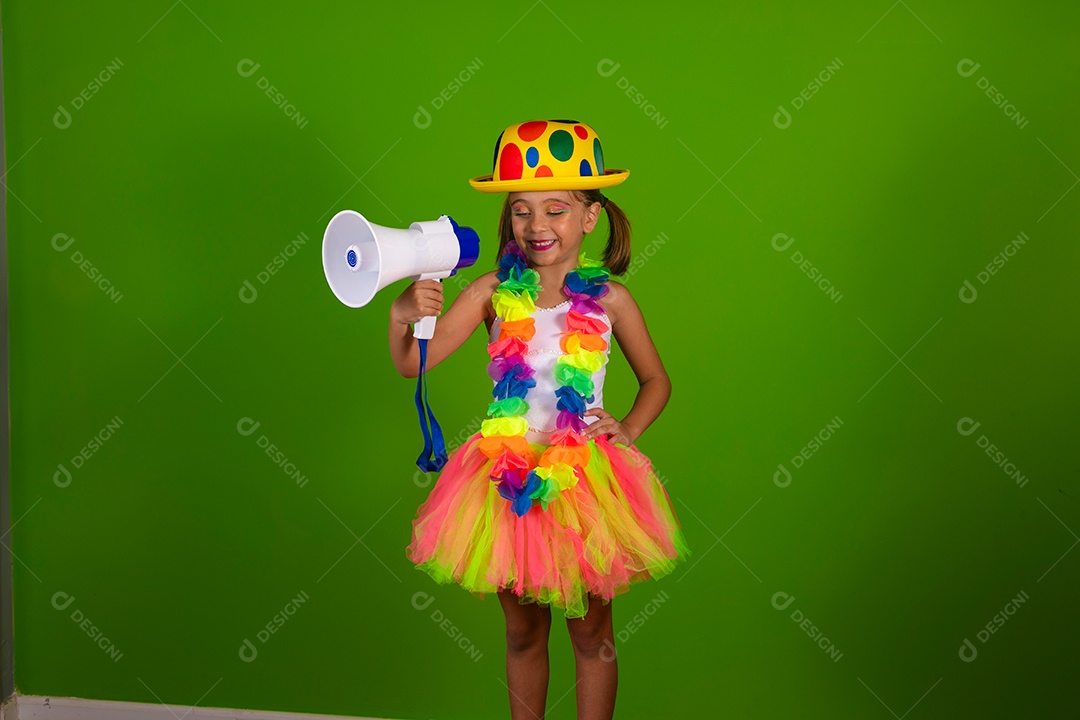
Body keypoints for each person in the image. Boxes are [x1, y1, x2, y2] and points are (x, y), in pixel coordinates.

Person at [393, 119, 690, 720]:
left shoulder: (610, 302)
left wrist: (627, 430)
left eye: (556, 209)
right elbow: (410, 363)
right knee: (522, 633)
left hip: (585, 479)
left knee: (591, 634)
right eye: (522, 210)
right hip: (505, 480)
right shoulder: (489, 293)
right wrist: (402, 314)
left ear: (590, 217)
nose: (537, 225)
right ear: (509, 218)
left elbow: (657, 381)